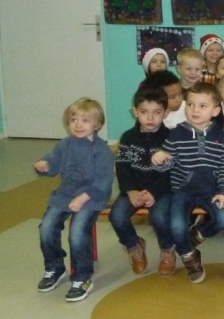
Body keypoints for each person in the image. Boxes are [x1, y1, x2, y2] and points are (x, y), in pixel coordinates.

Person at [151, 82, 224, 284]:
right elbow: (168, 164)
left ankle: (197, 234)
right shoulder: (177, 133)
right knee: (177, 226)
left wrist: (223, 190)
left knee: (223, 219)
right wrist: (159, 160)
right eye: (190, 104)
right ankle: (189, 256)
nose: (195, 110)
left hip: (211, 191)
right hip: (183, 191)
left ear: (215, 111)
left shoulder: (219, 135)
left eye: (202, 106)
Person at [34, 98, 113, 302]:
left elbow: (104, 182)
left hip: (92, 195)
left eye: (85, 120)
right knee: (46, 227)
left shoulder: (101, 150)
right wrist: (45, 166)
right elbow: (54, 162)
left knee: (77, 232)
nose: (78, 124)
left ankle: (83, 277)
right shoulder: (65, 144)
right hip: (66, 193)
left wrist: (82, 199)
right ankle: (55, 267)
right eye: (73, 119)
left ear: (97, 124)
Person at [109, 88, 175, 277]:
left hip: (161, 191)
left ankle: (167, 249)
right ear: (135, 112)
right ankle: (133, 245)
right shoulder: (128, 138)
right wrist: (130, 191)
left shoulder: (170, 138)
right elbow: (122, 167)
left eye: (157, 112)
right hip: (133, 189)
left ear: (166, 112)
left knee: (160, 217)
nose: (150, 118)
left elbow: (172, 173)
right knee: (117, 216)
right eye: (144, 112)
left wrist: (153, 192)